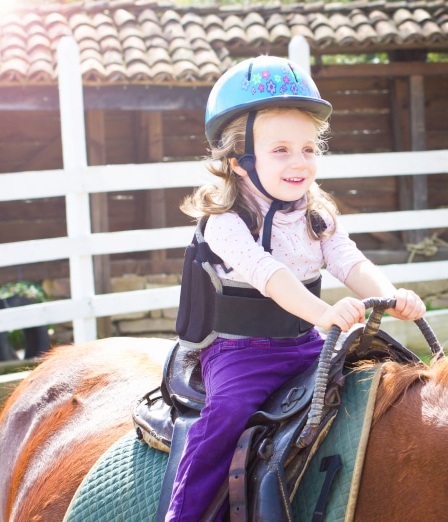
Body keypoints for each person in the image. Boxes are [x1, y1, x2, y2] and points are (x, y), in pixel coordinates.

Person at [165, 55, 426, 521]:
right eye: (280, 150)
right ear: (239, 163)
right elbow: (270, 275)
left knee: (385, 379)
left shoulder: (316, 212)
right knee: (227, 413)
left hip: (305, 343)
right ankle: (184, 511)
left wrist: (391, 294)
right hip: (241, 352)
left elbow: (350, 261)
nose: (299, 162)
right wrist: (324, 314)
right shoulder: (225, 222)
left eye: (309, 149)